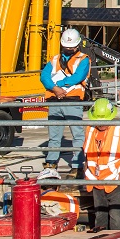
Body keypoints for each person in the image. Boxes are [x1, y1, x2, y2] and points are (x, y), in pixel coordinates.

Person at [83, 98, 120, 231]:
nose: (101, 124)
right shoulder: (90, 130)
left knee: (116, 220)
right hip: (97, 182)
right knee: (100, 218)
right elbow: (87, 151)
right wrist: (86, 171)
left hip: (116, 182)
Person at [39, 28, 89, 179]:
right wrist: (55, 89)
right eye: (66, 47)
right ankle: (51, 163)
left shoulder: (83, 59)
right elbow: (44, 76)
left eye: (70, 47)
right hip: (55, 101)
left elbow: (78, 76)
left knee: (77, 135)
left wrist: (60, 85)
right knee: (54, 136)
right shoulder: (54, 60)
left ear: (77, 45)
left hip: (72, 101)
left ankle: (77, 165)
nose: (68, 49)